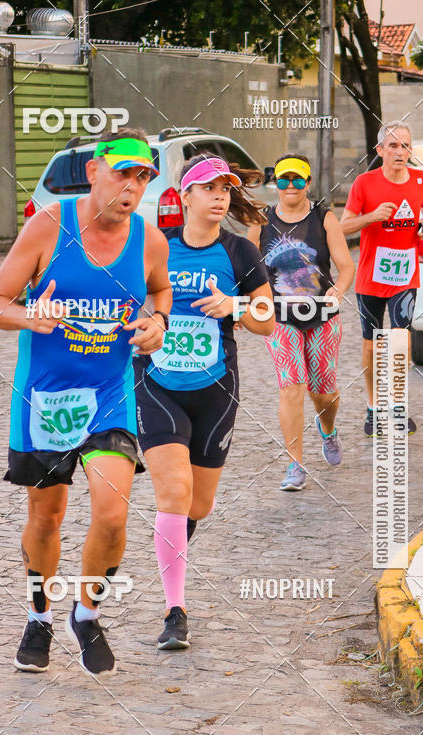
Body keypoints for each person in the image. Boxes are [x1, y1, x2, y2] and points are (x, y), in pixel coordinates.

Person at [0, 127, 172, 676]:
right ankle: (38, 617)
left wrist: (157, 321)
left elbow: (160, 290)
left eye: (143, 177)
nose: (132, 187)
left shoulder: (150, 239)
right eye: (122, 174)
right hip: (45, 398)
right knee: (47, 516)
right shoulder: (48, 225)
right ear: (94, 171)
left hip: (110, 394)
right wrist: (30, 316)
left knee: (112, 515)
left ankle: (86, 615)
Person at [134, 153, 274, 650]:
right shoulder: (157, 246)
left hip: (216, 389)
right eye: (209, 188)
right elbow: (128, 301)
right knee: (173, 493)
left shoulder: (239, 251)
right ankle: (175, 611)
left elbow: (267, 321)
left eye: (226, 189)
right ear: (185, 195)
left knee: (199, 503)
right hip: (158, 383)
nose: (220, 197)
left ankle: (171, 540)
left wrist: (235, 304)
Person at [247, 154, 354, 491]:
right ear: (275, 183)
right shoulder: (261, 220)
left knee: (324, 391)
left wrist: (338, 289)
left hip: (321, 316)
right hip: (279, 317)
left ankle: (328, 430)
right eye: (283, 179)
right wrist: (242, 303)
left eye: (297, 179)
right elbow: (245, 267)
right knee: (291, 385)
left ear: (308, 183)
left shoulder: (325, 218)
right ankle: (295, 464)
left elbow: (346, 266)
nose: (290, 185)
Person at [340, 121, 423, 436]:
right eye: (393, 145)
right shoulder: (364, 183)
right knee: (371, 346)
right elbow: (343, 226)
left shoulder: (420, 179)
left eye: (405, 146)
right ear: (380, 150)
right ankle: (373, 407)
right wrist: (372, 217)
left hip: (405, 277)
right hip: (370, 277)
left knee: (400, 340)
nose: (400, 152)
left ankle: (397, 406)